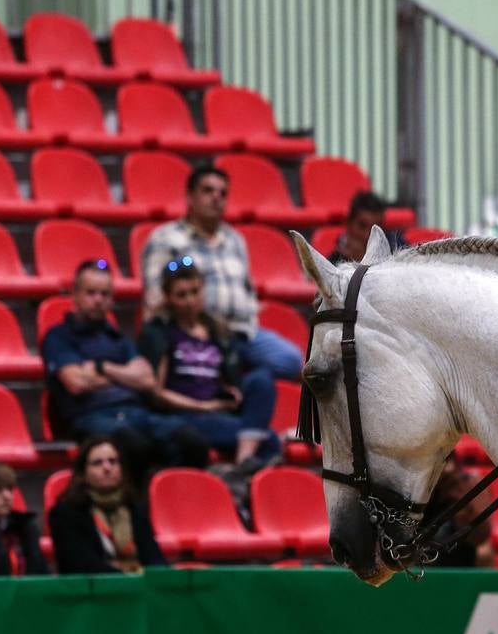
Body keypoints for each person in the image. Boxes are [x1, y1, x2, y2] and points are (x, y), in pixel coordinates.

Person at [42, 259, 208, 473]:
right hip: (92, 416)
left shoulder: (118, 338)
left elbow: (147, 380)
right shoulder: (59, 336)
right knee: (133, 444)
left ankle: (172, 498)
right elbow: (76, 382)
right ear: (75, 294)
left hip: (135, 413)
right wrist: (125, 375)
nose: (98, 300)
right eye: (91, 293)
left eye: (105, 294)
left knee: (190, 440)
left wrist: (101, 368)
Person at [140, 166, 303, 380]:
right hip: (196, 333)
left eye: (222, 193)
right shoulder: (164, 238)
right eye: (208, 190)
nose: (216, 197)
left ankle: (235, 373)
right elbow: (155, 297)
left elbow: (247, 288)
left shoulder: (235, 239)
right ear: (189, 197)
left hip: (241, 332)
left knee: (292, 361)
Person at [137, 257, 282, 470]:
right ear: (168, 297)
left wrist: (230, 391)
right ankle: (244, 464)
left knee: (262, 379)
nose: (190, 300)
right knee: (268, 441)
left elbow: (225, 376)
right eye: (181, 295)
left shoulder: (217, 330)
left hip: (219, 409)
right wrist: (203, 406)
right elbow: (156, 393)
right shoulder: (159, 332)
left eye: (195, 292)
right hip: (185, 415)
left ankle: (241, 464)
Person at [47, 436, 166, 574]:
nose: (107, 468)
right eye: (97, 463)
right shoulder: (65, 514)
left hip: (137, 590)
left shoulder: (135, 509)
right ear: (83, 473)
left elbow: (155, 559)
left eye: (113, 461)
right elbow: (81, 566)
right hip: (92, 592)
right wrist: (131, 574)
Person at [424, 455, 495, 568]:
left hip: (459, 551)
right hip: (419, 552)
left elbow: (481, 535)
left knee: (484, 551)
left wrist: (457, 495)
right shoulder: (418, 485)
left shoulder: (469, 484)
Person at [328, 192, 404, 265]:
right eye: (362, 226)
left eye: (375, 228)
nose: (367, 235)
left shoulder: (397, 246)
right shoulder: (335, 261)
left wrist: (362, 260)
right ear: (348, 223)